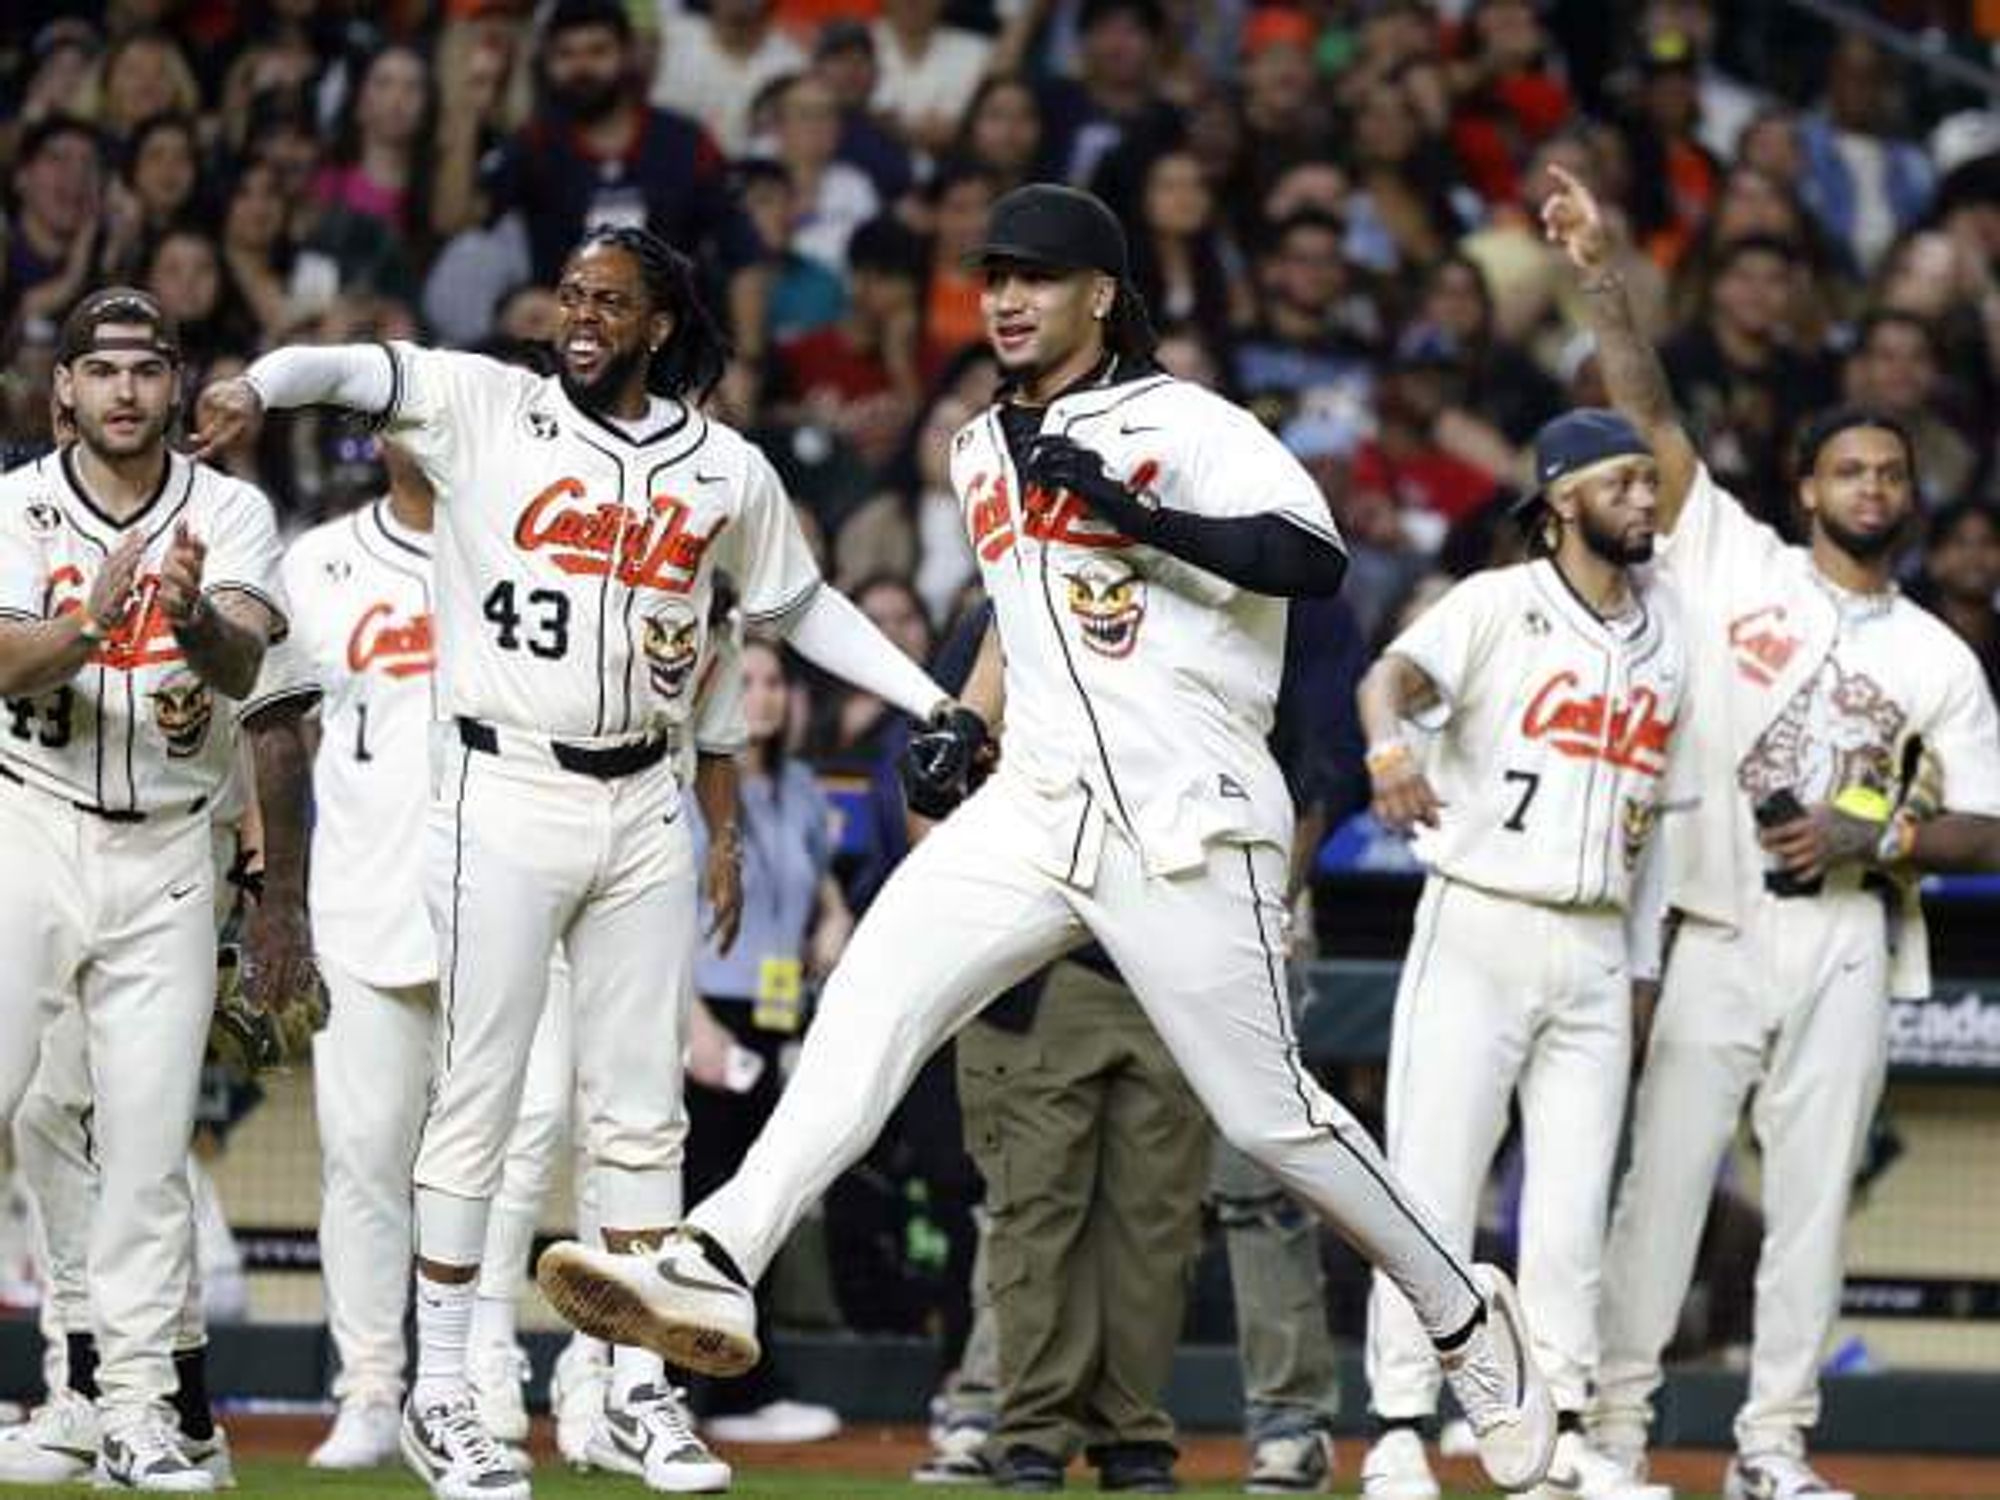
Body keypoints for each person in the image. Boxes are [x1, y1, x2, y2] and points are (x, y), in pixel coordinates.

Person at [534, 182, 1559, 1499]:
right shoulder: (980, 448)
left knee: (1275, 1115)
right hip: (1041, 805)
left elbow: (1312, 558)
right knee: (871, 1010)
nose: (1007, 298)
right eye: (995, 276)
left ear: (1099, 295)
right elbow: (1029, 620)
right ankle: (713, 1261)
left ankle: (1469, 1318)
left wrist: (1142, 513)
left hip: (1188, 818)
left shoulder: (1186, 422)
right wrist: (964, 721)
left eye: (1036, 276)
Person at [193, 222, 973, 1500]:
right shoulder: (487, 402)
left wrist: (927, 694)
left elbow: (798, 607)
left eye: (609, 300)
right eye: (571, 295)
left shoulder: (724, 466)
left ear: (660, 324)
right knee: (481, 1097)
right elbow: (352, 367)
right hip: (498, 783)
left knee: (639, 1112)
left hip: (647, 799)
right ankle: (443, 1389)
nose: (582, 317)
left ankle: (640, 1395)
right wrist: (255, 385)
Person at [1542, 163, 2000, 1500]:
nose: (1871, 485)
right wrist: (1602, 278)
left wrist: (1881, 840)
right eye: (1848, 468)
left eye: (1891, 471)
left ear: (1909, 497)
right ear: (1805, 489)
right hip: (1714, 919)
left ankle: (1773, 1447)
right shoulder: (1733, 557)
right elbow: (1646, 408)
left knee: (1810, 1210)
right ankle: (1616, 1436)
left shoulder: (1939, 655)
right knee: (1665, 1193)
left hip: (1848, 935)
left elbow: (1986, 826)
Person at [277, 444, 741, 1479]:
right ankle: (369, 1387)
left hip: (520, 882)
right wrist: (269, 888)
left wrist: (716, 828)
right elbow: (273, 725)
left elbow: (684, 682)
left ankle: (510, 1371)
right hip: (368, 893)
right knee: (363, 1156)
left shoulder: (542, 542)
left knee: (532, 1134)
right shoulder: (319, 562)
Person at [1353, 405, 1684, 1500]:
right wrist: (1390, 748)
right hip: (1479, 914)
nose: (1642, 498)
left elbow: (1657, 824)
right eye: (1620, 481)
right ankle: (1399, 1424)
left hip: (1594, 936)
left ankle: (1559, 1436)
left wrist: (1639, 970)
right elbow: (1382, 679)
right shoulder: (1497, 601)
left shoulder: (1667, 629)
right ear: (1559, 498)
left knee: (1570, 1205)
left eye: (1647, 481)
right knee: (1427, 1189)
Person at [0, 286, 287, 1490]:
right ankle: (86, 1394)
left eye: (147, 368)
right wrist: (93, 620)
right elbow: (6, 661)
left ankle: (133, 1411)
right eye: (101, 368)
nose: (125, 389)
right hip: (30, 821)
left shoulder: (231, 507)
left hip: (173, 844)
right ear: (62, 387)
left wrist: (188, 621)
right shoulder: (14, 503)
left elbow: (243, 658)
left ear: (177, 386)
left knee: (147, 1140)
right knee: (21, 1105)